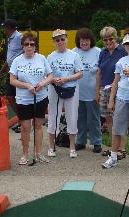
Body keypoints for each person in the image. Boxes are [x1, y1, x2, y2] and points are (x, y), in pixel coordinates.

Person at [102, 33, 129, 169]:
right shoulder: (121, 62)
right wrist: (111, 100)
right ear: (124, 46)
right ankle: (113, 156)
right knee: (117, 128)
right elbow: (115, 82)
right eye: (127, 44)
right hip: (121, 97)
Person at [10, 32, 53, 165]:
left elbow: (50, 76)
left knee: (38, 125)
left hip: (41, 97)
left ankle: (39, 153)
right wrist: (26, 85)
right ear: (22, 46)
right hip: (23, 99)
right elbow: (12, 80)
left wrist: (42, 83)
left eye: (32, 44)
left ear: (35, 46)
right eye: (26, 44)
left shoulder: (41, 58)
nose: (29, 47)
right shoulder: (17, 60)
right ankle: (24, 155)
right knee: (25, 127)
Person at [47, 29, 83, 158]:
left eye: (62, 39)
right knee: (53, 116)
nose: (60, 42)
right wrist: (53, 79)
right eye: (57, 40)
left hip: (71, 89)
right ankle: (51, 146)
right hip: (55, 90)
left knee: (72, 117)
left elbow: (80, 73)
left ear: (66, 39)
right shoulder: (50, 56)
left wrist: (66, 79)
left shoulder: (74, 55)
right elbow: (47, 74)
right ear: (54, 42)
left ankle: (72, 147)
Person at [95, 26, 127, 159]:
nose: (108, 42)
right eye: (105, 40)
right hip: (104, 88)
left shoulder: (123, 51)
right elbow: (99, 72)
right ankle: (114, 147)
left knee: (119, 118)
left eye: (110, 39)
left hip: (119, 89)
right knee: (108, 119)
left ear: (115, 37)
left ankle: (121, 149)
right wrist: (96, 91)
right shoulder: (103, 52)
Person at [73, 28, 102, 153]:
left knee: (94, 118)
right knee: (80, 118)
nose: (84, 43)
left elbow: (101, 71)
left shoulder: (98, 52)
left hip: (92, 93)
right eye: (81, 41)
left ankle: (97, 142)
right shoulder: (74, 52)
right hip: (77, 93)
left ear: (91, 40)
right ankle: (80, 141)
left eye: (86, 40)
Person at [0, 19, 23, 133]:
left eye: (5, 27)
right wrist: (1, 71)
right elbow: (10, 57)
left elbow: (30, 49)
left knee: (20, 97)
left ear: (11, 28)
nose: (4, 29)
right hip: (11, 72)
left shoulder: (19, 37)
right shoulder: (10, 39)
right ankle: (22, 119)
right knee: (10, 97)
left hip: (19, 72)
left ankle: (25, 120)